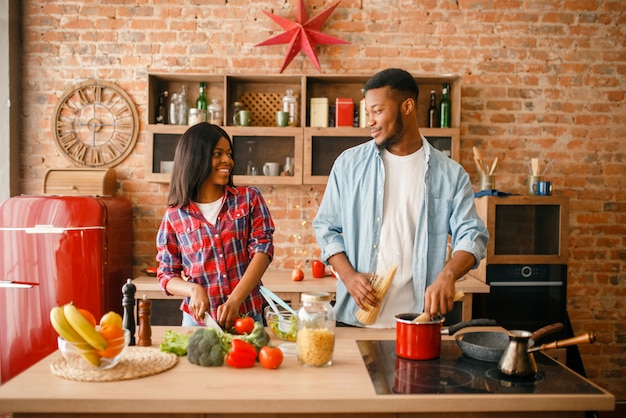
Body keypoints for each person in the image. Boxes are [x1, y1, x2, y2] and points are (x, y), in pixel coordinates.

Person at [312, 68, 488, 328]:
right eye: (368, 113)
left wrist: (447, 275)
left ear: (407, 106)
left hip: (419, 321)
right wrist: (349, 277)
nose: (370, 121)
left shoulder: (450, 174)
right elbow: (326, 228)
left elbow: (472, 234)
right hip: (355, 319)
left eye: (378, 111)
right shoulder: (348, 166)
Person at [156, 122, 275, 330]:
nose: (227, 160)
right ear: (195, 158)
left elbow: (262, 250)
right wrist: (193, 290)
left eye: (229, 154)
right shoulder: (175, 215)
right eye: (218, 154)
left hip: (246, 315)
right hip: (198, 322)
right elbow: (166, 274)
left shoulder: (249, 199)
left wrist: (235, 300)